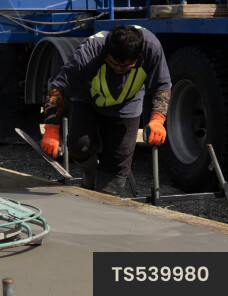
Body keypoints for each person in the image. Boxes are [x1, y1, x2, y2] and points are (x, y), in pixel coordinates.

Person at [40, 25, 170, 195]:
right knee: (80, 146)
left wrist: (158, 120)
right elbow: (58, 88)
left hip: (127, 103)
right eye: (113, 64)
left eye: (124, 67)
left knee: (118, 160)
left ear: (138, 57)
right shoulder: (89, 52)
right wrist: (51, 129)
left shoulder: (151, 48)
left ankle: (107, 200)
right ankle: (91, 177)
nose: (118, 70)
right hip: (87, 97)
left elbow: (162, 85)